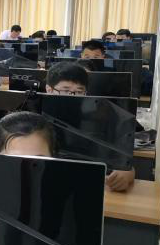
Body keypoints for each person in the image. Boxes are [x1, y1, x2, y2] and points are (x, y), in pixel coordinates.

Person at [46, 61, 133, 191]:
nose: (72, 96)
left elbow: (125, 164)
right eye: (65, 90)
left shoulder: (98, 121)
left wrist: (127, 174)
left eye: (79, 91)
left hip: (87, 188)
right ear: (49, 90)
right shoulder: (37, 120)